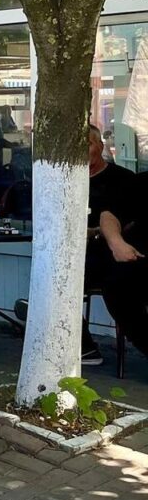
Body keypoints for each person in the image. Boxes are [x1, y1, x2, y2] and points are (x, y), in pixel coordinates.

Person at [83, 124, 137, 365]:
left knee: (117, 286)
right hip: (76, 255)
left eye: (87, 144)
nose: (82, 152)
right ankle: (84, 347)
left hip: (111, 254)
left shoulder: (123, 179)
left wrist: (96, 232)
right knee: (51, 277)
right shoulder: (65, 182)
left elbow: (130, 222)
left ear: (100, 145)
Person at [91, 150, 147, 364]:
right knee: (117, 286)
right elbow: (109, 215)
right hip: (139, 259)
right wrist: (117, 243)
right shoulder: (141, 182)